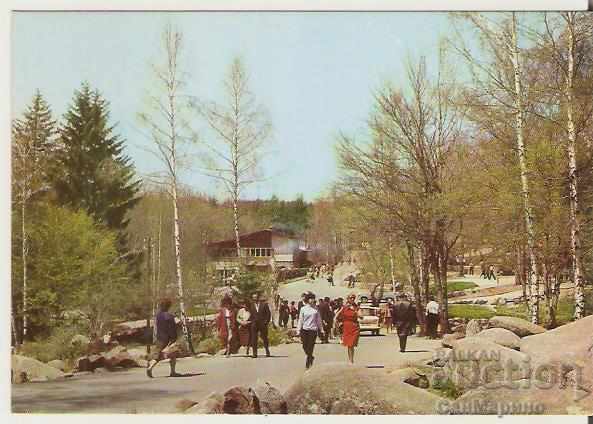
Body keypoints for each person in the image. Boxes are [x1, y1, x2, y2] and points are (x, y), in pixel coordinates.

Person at [147, 298, 180, 378]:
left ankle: (150, 367)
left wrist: (155, 337)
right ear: (168, 306)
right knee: (172, 354)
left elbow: (156, 327)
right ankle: (172, 372)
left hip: (159, 337)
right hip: (168, 338)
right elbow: (172, 328)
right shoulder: (169, 316)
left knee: (157, 355)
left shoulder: (158, 316)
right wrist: (174, 338)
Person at [297, 292, 324, 369]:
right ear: (307, 299)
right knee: (304, 346)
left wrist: (321, 329)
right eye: (310, 299)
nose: (312, 300)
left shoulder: (316, 309)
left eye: (313, 299)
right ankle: (310, 357)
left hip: (313, 330)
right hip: (305, 330)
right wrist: (298, 330)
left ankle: (308, 363)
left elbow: (319, 320)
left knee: (310, 346)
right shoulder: (303, 309)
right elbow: (300, 320)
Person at [335, 293, 360, 363]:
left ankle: (351, 360)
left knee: (352, 344)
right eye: (351, 298)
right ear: (348, 299)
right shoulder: (344, 307)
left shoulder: (356, 307)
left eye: (353, 298)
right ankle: (350, 360)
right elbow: (336, 316)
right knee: (349, 345)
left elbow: (361, 316)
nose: (352, 299)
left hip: (354, 327)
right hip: (346, 326)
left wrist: (355, 311)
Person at [249, 293, 271, 358]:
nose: (254, 299)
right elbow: (251, 314)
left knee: (264, 338)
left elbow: (268, 314)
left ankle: (267, 350)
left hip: (262, 324)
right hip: (254, 324)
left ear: (258, 298)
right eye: (253, 298)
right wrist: (252, 321)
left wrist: (266, 322)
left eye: (255, 297)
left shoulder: (264, 304)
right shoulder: (251, 305)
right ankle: (254, 353)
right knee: (254, 339)